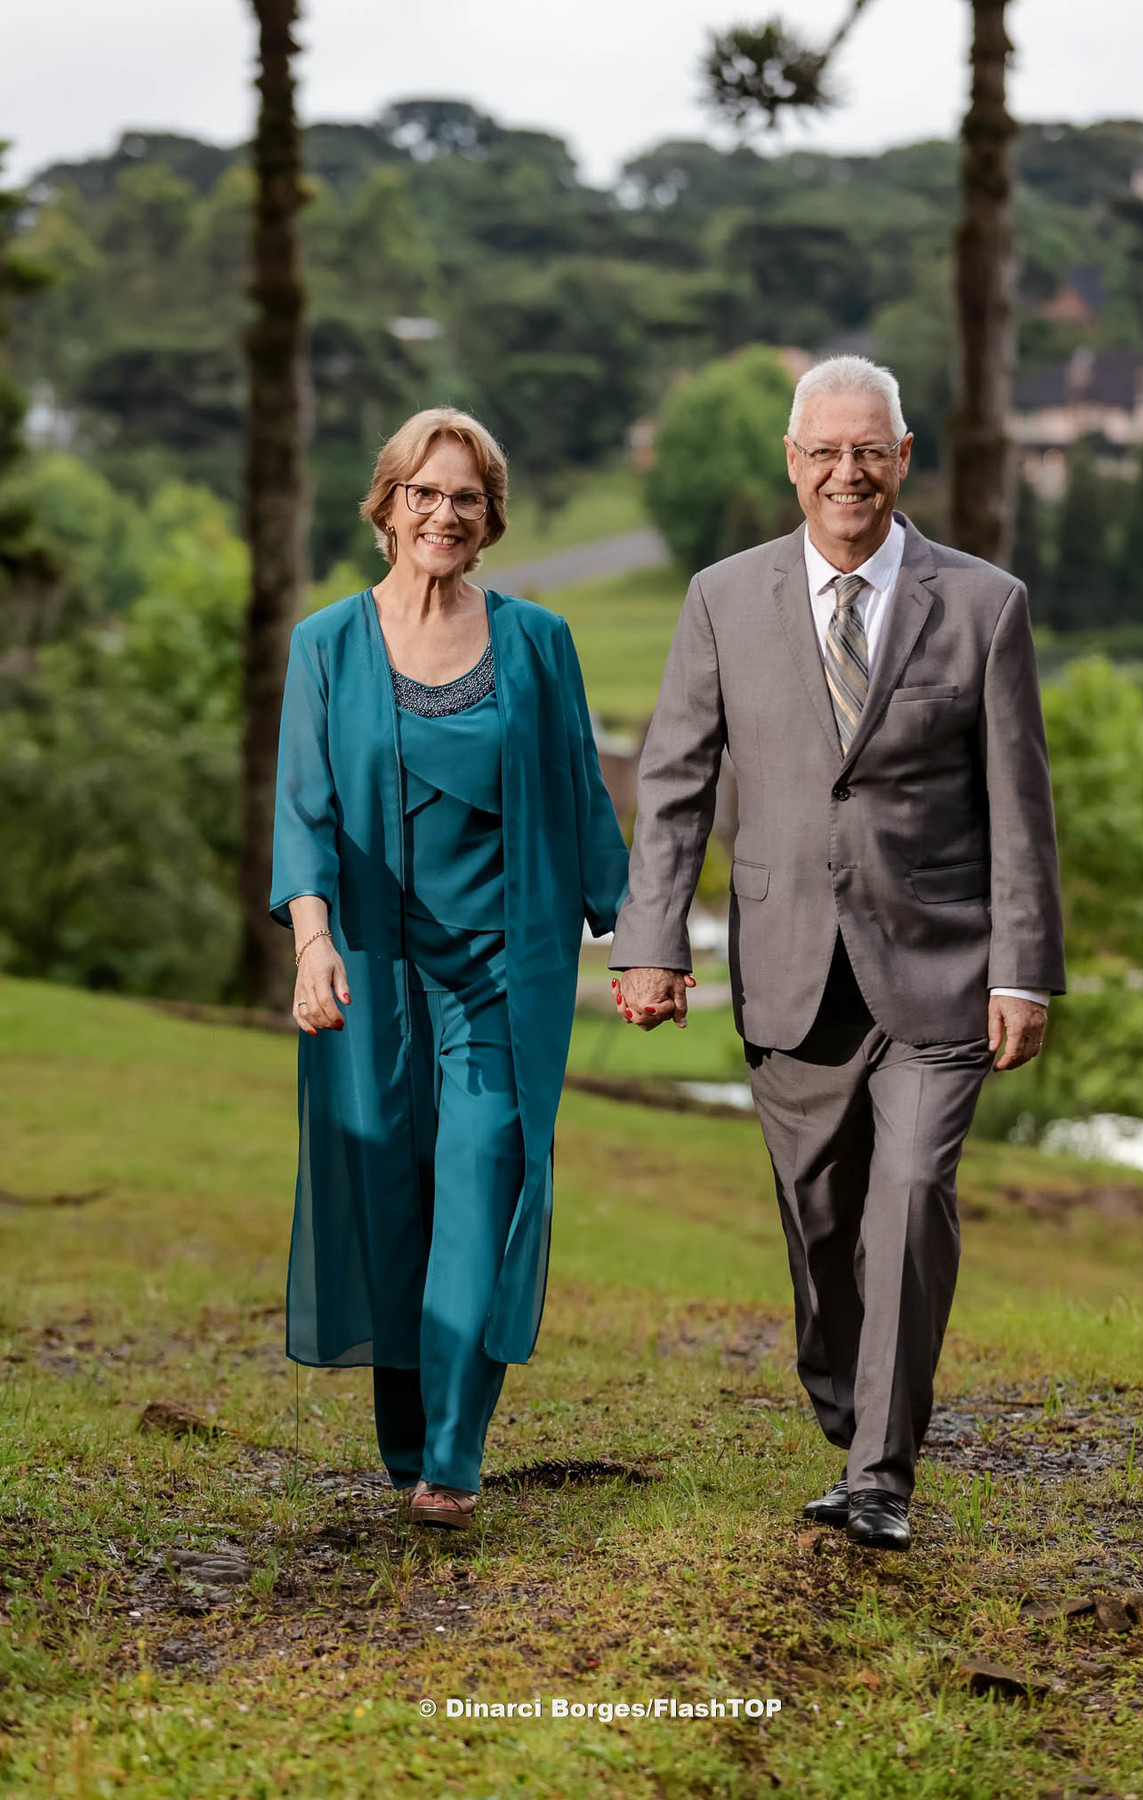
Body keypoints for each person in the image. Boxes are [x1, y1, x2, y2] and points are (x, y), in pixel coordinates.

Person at [611, 356, 1064, 1551]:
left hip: (943, 967)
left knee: (912, 1195)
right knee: (820, 1228)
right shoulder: (721, 598)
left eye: (870, 451)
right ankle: (850, 1403)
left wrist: (1023, 969)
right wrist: (649, 942)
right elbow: (671, 786)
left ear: (904, 459)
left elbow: (1021, 805)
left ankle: (881, 1476)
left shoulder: (984, 605)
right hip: (790, 972)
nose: (847, 474)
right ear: (792, 461)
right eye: (825, 452)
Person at [271, 407, 628, 1529]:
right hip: (372, 971)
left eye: (464, 498)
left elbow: (581, 794)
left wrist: (642, 941)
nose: (442, 513)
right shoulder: (327, 645)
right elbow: (304, 809)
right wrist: (313, 940)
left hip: (497, 972)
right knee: (389, 1195)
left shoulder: (538, 642)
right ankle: (405, 1436)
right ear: (387, 506)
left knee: (482, 1182)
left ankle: (453, 1455)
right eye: (423, 493)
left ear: (490, 519)